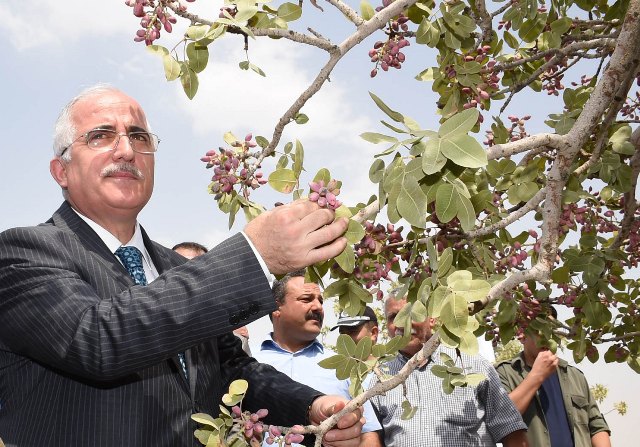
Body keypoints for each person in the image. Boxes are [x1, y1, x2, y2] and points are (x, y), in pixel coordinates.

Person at [0, 85, 363, 447]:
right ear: (60, 170)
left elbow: (231, 369)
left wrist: (310, 406)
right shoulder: (23, 252)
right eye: (101, 136)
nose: (126, 150)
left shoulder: (175, 267)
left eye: (139, 136)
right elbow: (98, 339)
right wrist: (253, 254)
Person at [369, 295, 529, 447]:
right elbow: (370, 438)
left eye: (411, 314)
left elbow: (511, 429)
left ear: (432, 319)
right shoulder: (380, 378)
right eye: (393, 317)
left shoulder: (471, 363)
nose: (402, 323)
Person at [253, 270, 383, 447]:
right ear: (276, 309)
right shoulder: (249, 364)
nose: (318, 307)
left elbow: (369, 435)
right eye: (306, 299)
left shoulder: (343, 366)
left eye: (320, 300)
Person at [494, 308, 611, 447]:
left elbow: (597, 425)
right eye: (539, 329)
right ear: (522, 335)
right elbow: (502, 417)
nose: (546, 336)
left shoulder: (575, 376)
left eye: (551, 329)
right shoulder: (504, 372)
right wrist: (537, 375)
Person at [173, 241, 252, 355]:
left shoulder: (233, 341)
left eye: (194, 271)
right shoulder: (149, 334)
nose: (186, 279)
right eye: (178, 268)